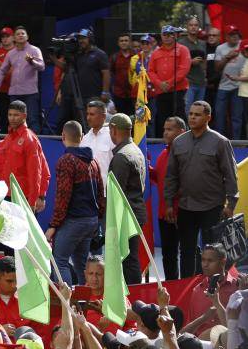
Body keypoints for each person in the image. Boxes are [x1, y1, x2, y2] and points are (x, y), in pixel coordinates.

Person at [165, 101, 238, 278]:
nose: (192, 117)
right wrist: (168, 203)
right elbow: (171, 176)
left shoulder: (220, 142)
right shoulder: (179, 142)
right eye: (190, 114)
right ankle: (187, 289)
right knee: (187, 252)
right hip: (186, 206)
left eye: (197, 115)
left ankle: (211, 290)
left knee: (212, 253)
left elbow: (230, 175)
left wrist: (231, 205)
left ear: (208, 117)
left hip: (212, 207)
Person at [0, 100, 50, 253]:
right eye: (10, 115)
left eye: (16, 115)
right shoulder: (4, 143)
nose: (12, 118)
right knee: (8, 244)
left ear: (24, 116)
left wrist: (34, 201)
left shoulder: (29, 140)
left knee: (23, 247)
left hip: (21, 200)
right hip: (6, 199)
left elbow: (36, 173)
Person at [46, 120, 105, 286]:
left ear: (63, 136)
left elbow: (63, 196)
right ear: (82, 137)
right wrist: (98, 219)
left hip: (74, 220)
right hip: (91, 221)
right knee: (81, 264)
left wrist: (53, 225)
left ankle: (67, 305)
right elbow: (101, 194)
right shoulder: (93, 162)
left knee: (59, 262)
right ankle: (84, 303)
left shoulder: (66, 161)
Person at [109, 113, 146, 285]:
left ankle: (132, 296)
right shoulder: (135, 149)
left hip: (125, 215)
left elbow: (116, 194)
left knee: (127, 260)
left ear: (113, 129)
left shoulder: (121, 157)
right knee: (131, 258)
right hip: (135, 212)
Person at [52, 28, 111, 131]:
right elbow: (66, 67)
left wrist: (105, 92)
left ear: (90, 39)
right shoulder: (78, 55)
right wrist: (53, 58)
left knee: (93, 122)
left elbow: (106, 73)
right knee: (80, 122)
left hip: (94, 95)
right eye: (79, 39)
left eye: (84, 38)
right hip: (79, 96)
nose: (81, 41)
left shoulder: (100, 54)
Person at [152, 117, 187, 280]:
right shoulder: (164, 153)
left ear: (182, 132)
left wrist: (172, 205)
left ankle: (190, 285)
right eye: (165, 129)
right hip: (164, 212)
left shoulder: (185, 153)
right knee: (168, 254)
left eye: (170, 129)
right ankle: (172, 285)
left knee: (188, 251)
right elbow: (159, 179)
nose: (165, 132)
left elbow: (186, 183)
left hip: (181, 211)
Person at [0, 26, 45, 133]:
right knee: (14, 121)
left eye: (23, 33)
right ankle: (16, 146)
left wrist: (32, 62)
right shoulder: (11, 54)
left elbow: (42, 67)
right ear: (14, 38)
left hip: (30, 93)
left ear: (27, 37)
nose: (20, 35)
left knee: (32, 119)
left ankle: (34, 146)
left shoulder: (35, 50)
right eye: (18, 34)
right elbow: (2, 70)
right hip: (15, 93)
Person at [149, 25, 191, 138]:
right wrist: (159, 83)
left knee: (180, 116)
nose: (167, 37)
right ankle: (165, 140)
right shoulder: (156, 53)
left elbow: (184, 69)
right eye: (164, 35)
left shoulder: (183, 49)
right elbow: (151, 71)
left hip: (178, 90)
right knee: (163, 117)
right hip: (161, 91)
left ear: (175, 36)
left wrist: (169, 83)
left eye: (170, 35)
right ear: (161, 36)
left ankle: (185, 139)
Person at [187, 243, 239, 334]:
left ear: (223, 262)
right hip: (200, 345)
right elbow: (187, 332)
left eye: (210, 261)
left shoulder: (238, 289)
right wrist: (203, 318)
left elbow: (238, 331)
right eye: (203, 260)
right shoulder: (197, 290)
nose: (205, 265)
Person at [80, 256, 136, 334]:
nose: (94, 278)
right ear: (85, 274)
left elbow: (132, 326)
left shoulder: (118, 296)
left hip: (116, 343)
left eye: (98, 274)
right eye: (91, 274)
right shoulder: (79, 296)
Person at [215, 25, 246, 139]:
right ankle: (220, 142)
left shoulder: (244, 45)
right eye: (231, 34)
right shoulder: (220, 48)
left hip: (239, 86)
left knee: (237, 117)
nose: (235, 37)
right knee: (219, 116)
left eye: (236, 34)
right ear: (226, 37)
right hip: (223, 86)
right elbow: (217, 68)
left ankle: (236, 142)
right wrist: (227, 57)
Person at [80, 100, 116, 193]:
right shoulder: (84, 139)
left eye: (92, 114)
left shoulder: (113, 137)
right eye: (87, 114)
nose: (88, 118)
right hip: (89, 194)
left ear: (103, 116)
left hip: (108, 192)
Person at [180, 16, 208, 113]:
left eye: (196, 25)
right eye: (191, 25)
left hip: (201, 83)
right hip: (188, 83)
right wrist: (191, 62)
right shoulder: (181, 43)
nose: (193, 27)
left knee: (199, 112)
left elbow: (205, 61)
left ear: (199, 27)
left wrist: (205, 76)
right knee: (188, 111)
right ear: (187, 27)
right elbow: (178, 64)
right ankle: (188, 129)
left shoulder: (203, 43)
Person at [110, 32, 135, 116]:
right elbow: (110, 74)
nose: (124, 42)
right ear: (118, 43)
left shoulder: (136, 56)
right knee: (120, 119)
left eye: (126, 40)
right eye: (121, 41)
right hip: (118, 94)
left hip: (134, 94)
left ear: (130, 42)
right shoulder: (114, 57)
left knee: (134, 119)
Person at [226, 40, 248, 127]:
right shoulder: (245, 60)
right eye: (245, 50)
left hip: (246, 94)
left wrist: (236, 78)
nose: (246, 52)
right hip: (243, 93)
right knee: (244, 117)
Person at [205, 27, 222, 110]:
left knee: (218, 110)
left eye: (214, 35)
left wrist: (212, 81)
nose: (211, 37)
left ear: (219, 37)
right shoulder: (204, 48)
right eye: (209, 35)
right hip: (204, 86)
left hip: (218, 86)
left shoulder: (223, 49)